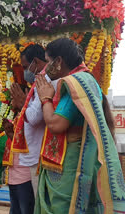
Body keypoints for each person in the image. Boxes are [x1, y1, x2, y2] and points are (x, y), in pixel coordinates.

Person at [34, 38, 125, 213]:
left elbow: (55, 124)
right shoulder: (86, 81)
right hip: (70, 159)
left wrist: (45, 98)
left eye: (47, 62)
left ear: (58, 61)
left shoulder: (76, 84)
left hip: (71, 163)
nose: (45, 69)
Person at [2, 44, 56, 214]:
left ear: (36, 62)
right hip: (27, 158)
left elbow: (33, 118)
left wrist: (22, 104)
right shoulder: (37, 82)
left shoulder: (46, 80)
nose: (25, 72)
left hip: (34, 159)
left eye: (26, 67)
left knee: (30, 209)